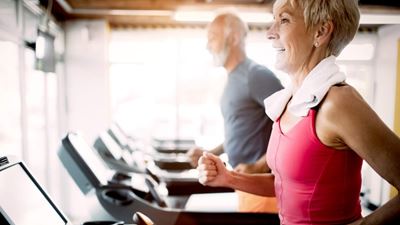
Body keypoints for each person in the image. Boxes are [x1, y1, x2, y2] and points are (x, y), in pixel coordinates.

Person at [197, 0, 400, 224]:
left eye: (283, 20)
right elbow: (284, 183)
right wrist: (229, 177)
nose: (270, 33)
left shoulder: (339, 103)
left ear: (320, 32)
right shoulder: (290, 102)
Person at [187, 12, 283, 212]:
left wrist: (258, 165)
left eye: (212, 37)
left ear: (234, 38)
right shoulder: (233, 78)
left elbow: (294, 127)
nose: (207, 46)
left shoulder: (255, 75)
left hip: (262, 187)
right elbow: (241, 130)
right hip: (244, 183)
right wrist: (212, 153)